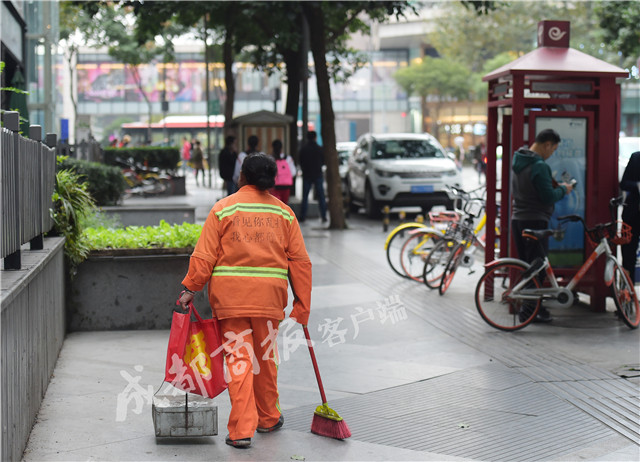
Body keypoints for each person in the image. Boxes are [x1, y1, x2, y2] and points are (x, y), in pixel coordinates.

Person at [178, 153, 312, 449]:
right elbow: (300, 262)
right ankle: (268, 418)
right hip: (269, 301)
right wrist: (302, 305)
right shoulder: (285, 214)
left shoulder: (224, 210)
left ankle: (240, 430)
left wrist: (190, 288)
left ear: (242, 176)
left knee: (239, 360)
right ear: (273, 180)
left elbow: (204, 256)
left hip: (230, 300)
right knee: (265, 359)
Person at [511, 128, 573, 323]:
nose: (551, 153)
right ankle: (529, 313)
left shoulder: (518, 159)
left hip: (518, 219)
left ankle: (536, 308)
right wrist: (564, 190)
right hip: (536, 219)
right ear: (547, 144)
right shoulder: (539, 165)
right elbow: (547, 197)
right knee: (537, 268)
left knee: (529, 267)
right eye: (553, 149)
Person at [298, 131, 327, 223]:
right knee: (321, 196)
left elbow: (300, 161)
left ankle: (303, 216)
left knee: (305, 196)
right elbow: (323, 161)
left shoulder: (303, 149)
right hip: (318, 174)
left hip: (307, 174)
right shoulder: (319, 148)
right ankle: (324, 216)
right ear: (315, 137)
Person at [620, 150, 640, 279]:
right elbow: (624, 183)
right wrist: (638, 186)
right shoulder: (636, 157)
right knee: (628, 255)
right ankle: (627, 292)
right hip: (633, 215)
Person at [269, 139, 296, 204]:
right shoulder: (288, 158)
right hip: (286, 187)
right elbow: (293, 172)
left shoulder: (270, 158)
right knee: (284, 206)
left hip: (274, 186)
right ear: (281, 147)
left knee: (275, 206)